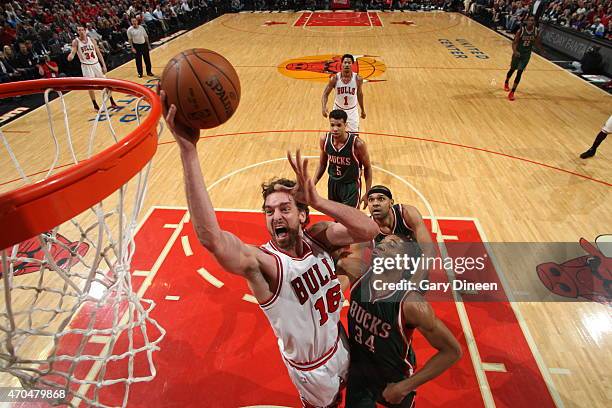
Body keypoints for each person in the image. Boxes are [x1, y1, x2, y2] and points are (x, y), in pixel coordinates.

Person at [161, 90, 379, 408]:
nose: (275, 215)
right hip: (312, 370)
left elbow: (369, 230)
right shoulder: (265, 264)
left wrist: (319, 200)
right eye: (269, 210)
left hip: (341, 342)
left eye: (284, 208)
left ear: (302, 215)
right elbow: (213, 239)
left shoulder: (319, 237)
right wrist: (189, 153)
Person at [342, 235, 462, 407]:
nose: (382, 245)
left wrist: (404, 387)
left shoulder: (411, 304)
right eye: (381, 242)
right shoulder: (357, 273)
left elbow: (452, 351)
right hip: (359, 373)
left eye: (391, 245)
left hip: (393, 381)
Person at [313, 109, 372, 209]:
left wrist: (368, 192)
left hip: (351, 186)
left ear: (346, 125)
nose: (335, 129)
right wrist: (312, 183)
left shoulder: (357, 144)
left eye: (339, 125)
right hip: (333, 183)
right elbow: (322, 164)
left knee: (351, 219)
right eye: (332, 125)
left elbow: (367, 168)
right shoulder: (325, 140)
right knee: (336, 217)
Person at [67, 26, 118, 111]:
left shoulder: (92, 40)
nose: (81, 31)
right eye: (79, 30)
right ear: (77, 32)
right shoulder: (76, 41)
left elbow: (98, 53)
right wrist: (71, 56)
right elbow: (73, 52)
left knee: (105, 83)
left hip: (96, 64)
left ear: (85, 31)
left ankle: (111, 100)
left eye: (82, 30)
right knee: (90, 86)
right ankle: (95, 104)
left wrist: (104, 65)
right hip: (86, 66)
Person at [321, 54, 366, 132]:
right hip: (338, 109)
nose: (347, 65)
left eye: (349, 63)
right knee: (336, 134)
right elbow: (325, 94)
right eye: (345, 62)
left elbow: (359, 94)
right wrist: (323, 107)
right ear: (342, 63)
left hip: (352, 110)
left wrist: (362, 110)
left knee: (354, 136)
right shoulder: (334, 79)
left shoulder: (358, 79)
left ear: (352, 64)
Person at [504, 15, 541, 101]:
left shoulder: (536, 31)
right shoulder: (521, 31)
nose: (531, 22)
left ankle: (512, 92)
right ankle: (506, 81)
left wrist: (540, 48)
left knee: (519, 72)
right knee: (512, 70)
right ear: (527, 21)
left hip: (526, 55)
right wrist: (515, 51)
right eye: (530, 20)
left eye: (533, 20)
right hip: (518, 53)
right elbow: (514, 43)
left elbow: (537, 42)